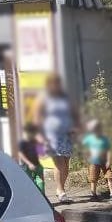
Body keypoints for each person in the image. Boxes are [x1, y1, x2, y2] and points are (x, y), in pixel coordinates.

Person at [35, 74, 76, 203]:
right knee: (59, 164)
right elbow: (38, 117)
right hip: (52, 135)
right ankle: (60, 190)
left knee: (66, 166)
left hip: (67, 135)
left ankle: (61, 188)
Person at [81, 119, 112, 201]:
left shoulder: (104, 139)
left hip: (104, 161)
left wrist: (108, 161)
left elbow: (108, 150)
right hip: (93, 161)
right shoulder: (89, 138)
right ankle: (93, 195)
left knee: (110, 176)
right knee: (93, 178)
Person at [18, 123, 46, 193]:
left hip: (37, 164)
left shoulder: (35, 141)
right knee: (29, 183)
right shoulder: (23, 142)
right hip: (26, 166)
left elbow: (41, 154)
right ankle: (30, 198)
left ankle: (42, 198)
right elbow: (21, 154)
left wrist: (41, 143)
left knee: (40, 182)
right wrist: (29, 163)